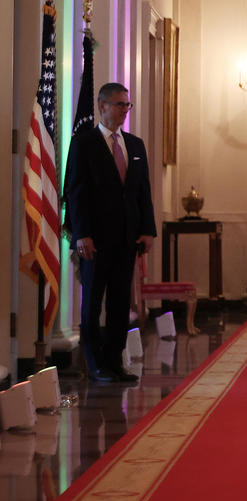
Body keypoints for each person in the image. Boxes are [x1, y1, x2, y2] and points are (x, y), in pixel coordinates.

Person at [64, 83, 156, 383]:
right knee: (92, 301)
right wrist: (81, 234)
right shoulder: (84, 143)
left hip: (127, 237)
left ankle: (115, 362)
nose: (124, 111)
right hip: (95, 239)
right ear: (102, 106)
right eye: (119, 105)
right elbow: (75, 192)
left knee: (119, 302)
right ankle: (95, 364)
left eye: (127, 105)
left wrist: (148, 230)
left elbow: (143, 191)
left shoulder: (135, 145)